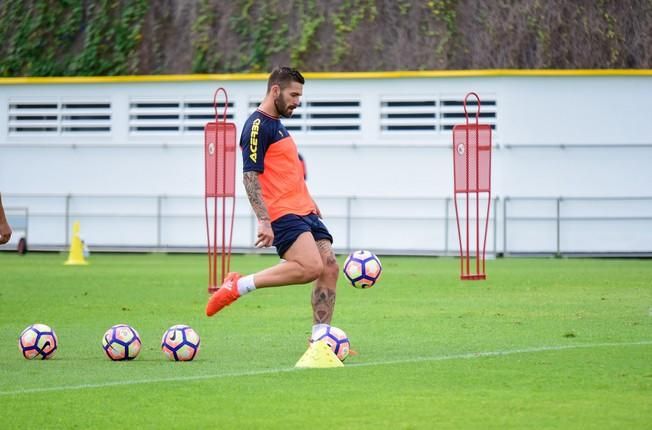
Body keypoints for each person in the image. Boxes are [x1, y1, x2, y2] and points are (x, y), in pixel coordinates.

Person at [206, 67, 339, 341]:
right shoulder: (257, 126)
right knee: (310, 267)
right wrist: (264, 219)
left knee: (329, 267)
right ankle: (239, 285)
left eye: (300, 96)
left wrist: (309, 197)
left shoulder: (278, 124)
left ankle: (320, 340)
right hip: (282, 212)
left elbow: (285, 169)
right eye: (294, 95)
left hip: (304, 209)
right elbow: (249, 175)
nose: (297, 101)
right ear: (275, 90)